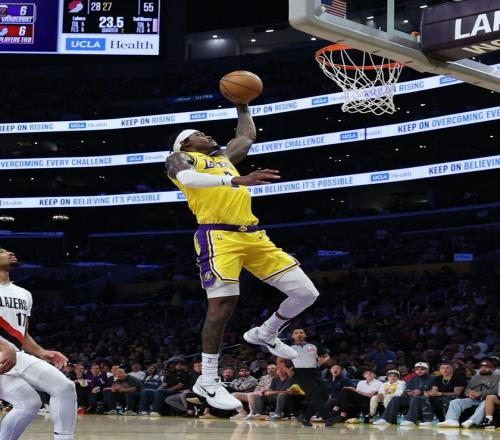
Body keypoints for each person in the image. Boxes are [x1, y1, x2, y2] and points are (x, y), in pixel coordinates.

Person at [166, 99, 320, 410]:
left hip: (253, 235)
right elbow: (188, 179)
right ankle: (208, 380)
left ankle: (267, 332)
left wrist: (243, 105)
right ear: (186, 143)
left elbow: (246, 136)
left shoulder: (223, 158)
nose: (208, 135)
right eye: (199, 133)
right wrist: (236, 179)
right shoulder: (180, 157)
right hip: (218, 235)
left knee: (306, 293)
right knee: (223, 304)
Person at [0, 248, 77, 440]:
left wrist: (41, 351)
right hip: (7, 353)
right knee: (59, 389)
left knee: (31, 403)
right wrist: (4, 346)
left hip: (14, 355)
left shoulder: (24, 293)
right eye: (2, 251)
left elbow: (22, 334)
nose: (10, 253)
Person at [288, 328, 335, 426]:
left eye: (301, 332)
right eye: (296, 333)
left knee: (324, 396)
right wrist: (286, 370)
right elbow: (279, 361)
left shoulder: (314, 345)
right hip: (300, 373)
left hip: (315, 372)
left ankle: (305, 417)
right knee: (316, 393)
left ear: (305, 335)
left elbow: (327, 356)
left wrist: (324, 360)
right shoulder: (289, 348)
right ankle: (327, 417)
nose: (299, 334)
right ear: (292, 336)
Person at [438, 359, 500, 428]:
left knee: (485, 403)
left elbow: (496, 391)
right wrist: (469, 393)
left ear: (492, 369)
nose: (483, 369)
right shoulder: (475, 377)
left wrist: (480, 393)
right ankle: (451, 420)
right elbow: (467, 389)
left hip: (488, 400)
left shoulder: (497, 378)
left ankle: (472, 421)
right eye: (481, 367)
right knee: (455, 402)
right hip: (474, 399)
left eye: (486, 367)